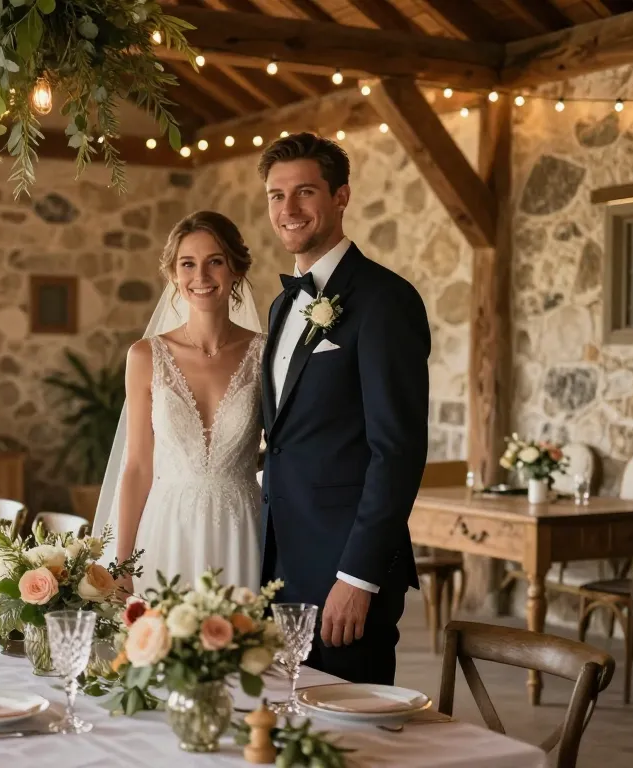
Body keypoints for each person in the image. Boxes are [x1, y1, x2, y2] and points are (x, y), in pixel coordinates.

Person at [258, 132, 430, 685]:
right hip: (281, 565)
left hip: (344, 570)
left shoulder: (385, 300)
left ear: (341, 196)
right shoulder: (283, 303)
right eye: (276, 195)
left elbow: (396, 451)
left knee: (358, 741)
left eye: (305, 192)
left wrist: (357, 577)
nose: (289, 210)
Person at [93, 210, 265, 597]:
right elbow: (137, 466)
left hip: (241, 529)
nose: (200, 277)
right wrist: (122, 563)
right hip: (165, 530)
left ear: (236, 269)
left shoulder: (263, 354)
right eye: (187, 264)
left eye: (214, 262)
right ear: (173, 274)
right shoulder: (144, 356)